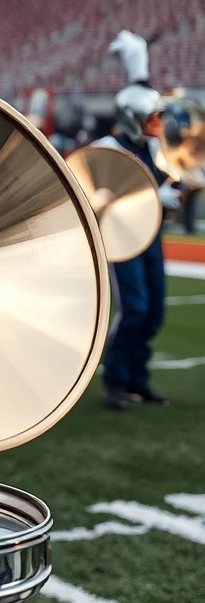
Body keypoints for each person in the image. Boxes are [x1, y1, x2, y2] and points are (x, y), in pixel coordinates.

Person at [96, 30, 177, 410]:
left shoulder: (157, 149)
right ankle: (115, 379)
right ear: (130, 118)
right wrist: (150, 197)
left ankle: (137, 378)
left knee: (154, 311)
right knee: (135, 309)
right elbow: (102, 200)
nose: (156, 124)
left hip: (153, 237)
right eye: (149, 118)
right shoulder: (107, 150)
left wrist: (175, 193)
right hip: (123, 240)